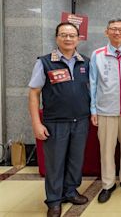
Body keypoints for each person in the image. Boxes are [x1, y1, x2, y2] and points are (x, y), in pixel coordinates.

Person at [28, 22, 90, 217]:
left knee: (75, 160)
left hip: (81, 120)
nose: (68, 39)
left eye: (72, 35)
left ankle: (70, 191)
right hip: (55, 122)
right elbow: (34, 93)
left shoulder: (85, 62)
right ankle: (54, 200)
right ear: (56, 38)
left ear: (78, 39)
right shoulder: (45, 62)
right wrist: (36, 123)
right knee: (55, 163)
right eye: (64, 35)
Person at [90, 19, 121, 203]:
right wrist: (93, 110)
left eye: (120, 30)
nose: (117, 33)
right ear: (106, 32)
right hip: (105, 110)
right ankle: (108, 184)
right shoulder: (98, 55)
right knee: (106, 150)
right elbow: (93, 83)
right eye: (113, 29)